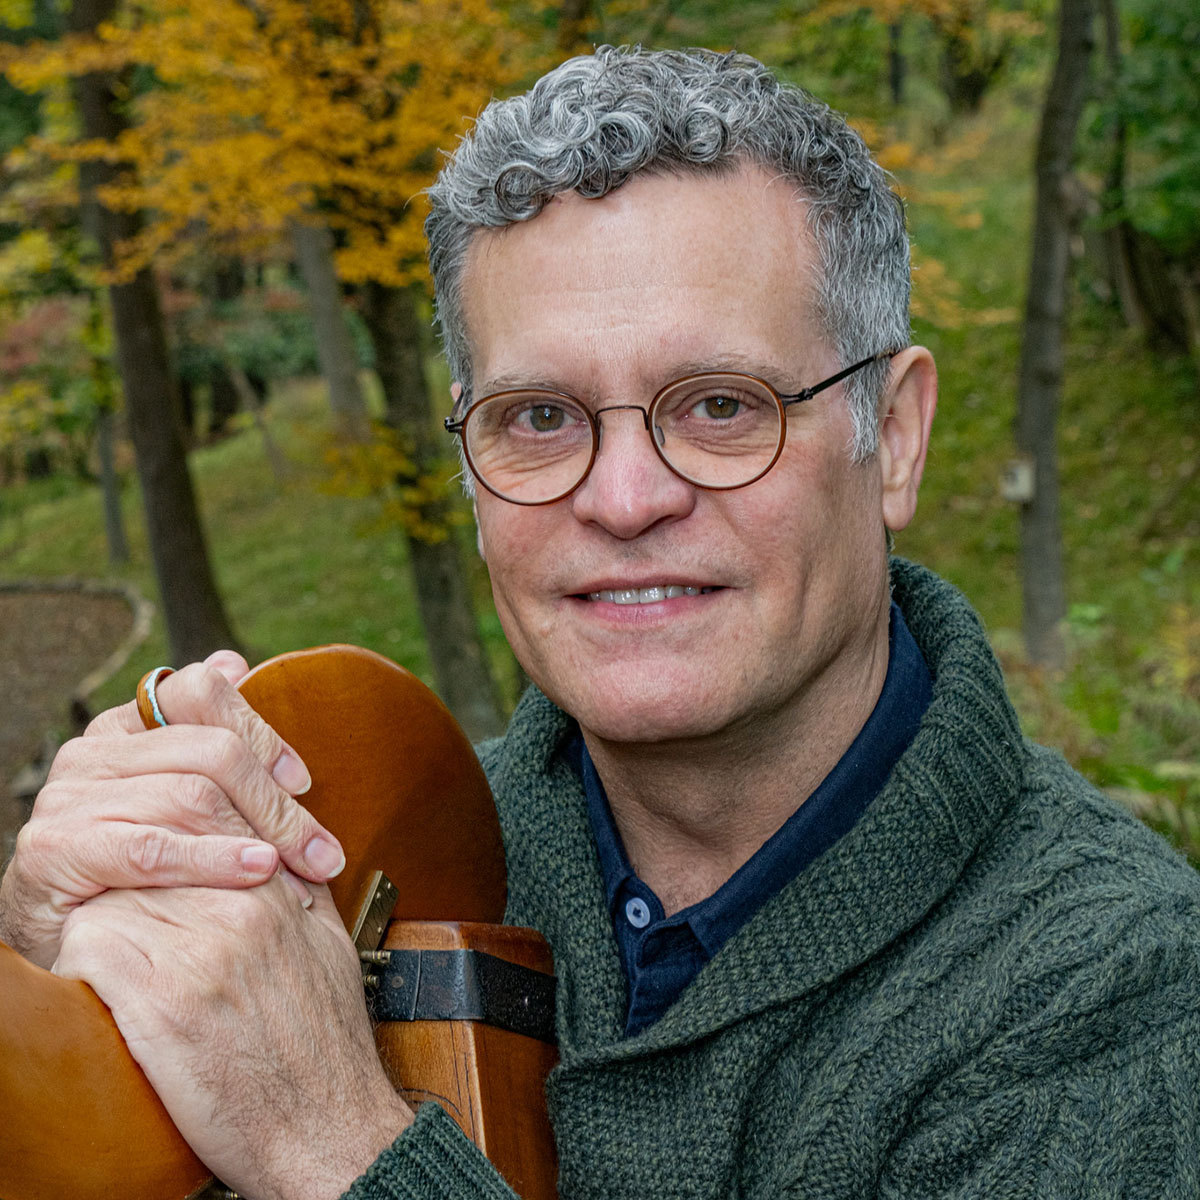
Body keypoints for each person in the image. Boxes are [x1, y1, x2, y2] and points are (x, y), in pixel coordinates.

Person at [2, 45, 1198, 1200]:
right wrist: (47, 1022)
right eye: (539, 419)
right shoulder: (359, 860)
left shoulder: (1118, 994)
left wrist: (340, 1158)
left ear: (895, 436)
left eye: (721, 405)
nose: (625, 499)